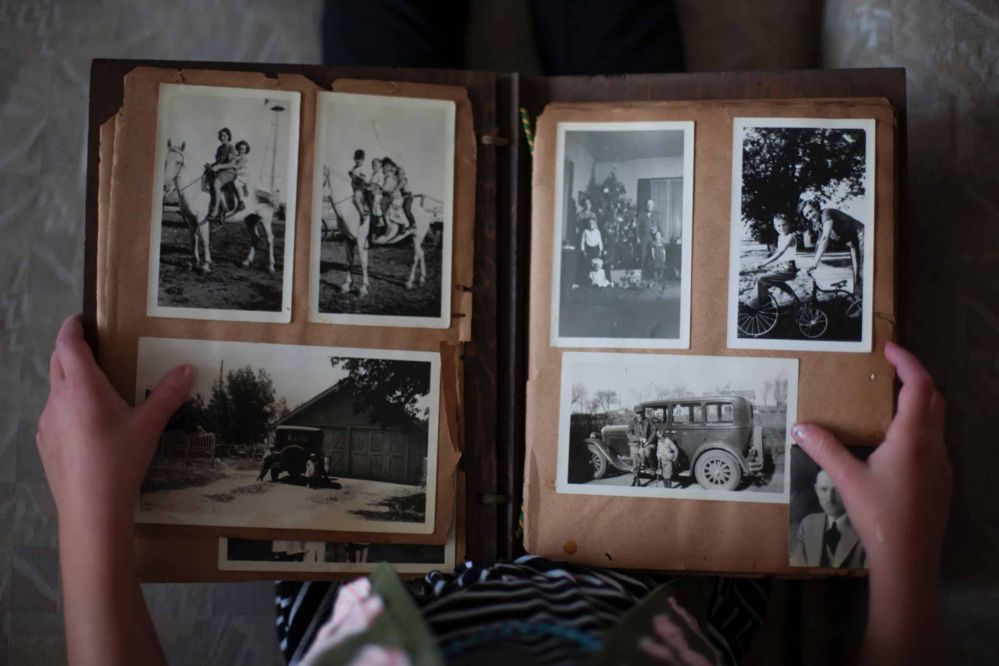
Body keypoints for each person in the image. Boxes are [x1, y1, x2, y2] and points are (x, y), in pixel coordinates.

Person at [38, 303, 951, 664]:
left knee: (378, 48)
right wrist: (903, 561)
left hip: (367, 573)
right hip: (659, 566)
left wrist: (90, 514)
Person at [791, 469, 867, 568]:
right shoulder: (808, 524)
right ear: (816, 490)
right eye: (823, 489)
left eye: (837, 490)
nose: (830, 499)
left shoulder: (866, 530)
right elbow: (797, 569)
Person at [799, 200, 865, 294]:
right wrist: (812, 263)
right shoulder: (819, 224)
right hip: (852, 243)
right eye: (807, 215)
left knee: (864, 270)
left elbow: (825, 237)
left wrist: (814, 263)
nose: (810, 216)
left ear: (816, 208)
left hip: (862, 236)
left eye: (811, 211)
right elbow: (819, 244)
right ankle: (860, 300)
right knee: (856, 278)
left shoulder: (826, 214)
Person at [750, 214, 800, 309]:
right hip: (781, 267)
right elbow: (777, 251)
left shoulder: (790, 237)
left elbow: (781, 252)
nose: (781, 228)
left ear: (789, 225)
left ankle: (755, 304)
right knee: (758, 280)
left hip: (788, 269)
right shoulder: (780, 237)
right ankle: (767, 304)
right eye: (779, 225)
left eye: (784, 224)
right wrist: (766, 260)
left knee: (761, 278)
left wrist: (763, 263)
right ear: (775, 227)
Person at [205, 127, 239, 221]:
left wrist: (219, 167)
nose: (222, 138)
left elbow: (232, 164)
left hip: (229, 172)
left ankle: (215, 210)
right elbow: (218, 162)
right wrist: (211, 166)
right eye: (220, 136)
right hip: (220, 172)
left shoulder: (231, 148)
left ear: (228, 137)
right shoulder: (219, 148)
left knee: (216, 184)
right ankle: (218, 207)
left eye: (224, 136)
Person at [348, 148, 369, 219]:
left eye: (360, 159)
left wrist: (355, 176)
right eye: (356, 159)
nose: (358, 161)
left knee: (356, 198)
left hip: (361, 188)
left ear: (363, 160)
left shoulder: (363, 168)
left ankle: (363, 214)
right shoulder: (354, 168)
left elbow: (363, 178)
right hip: (355, 188)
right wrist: (351, 174)